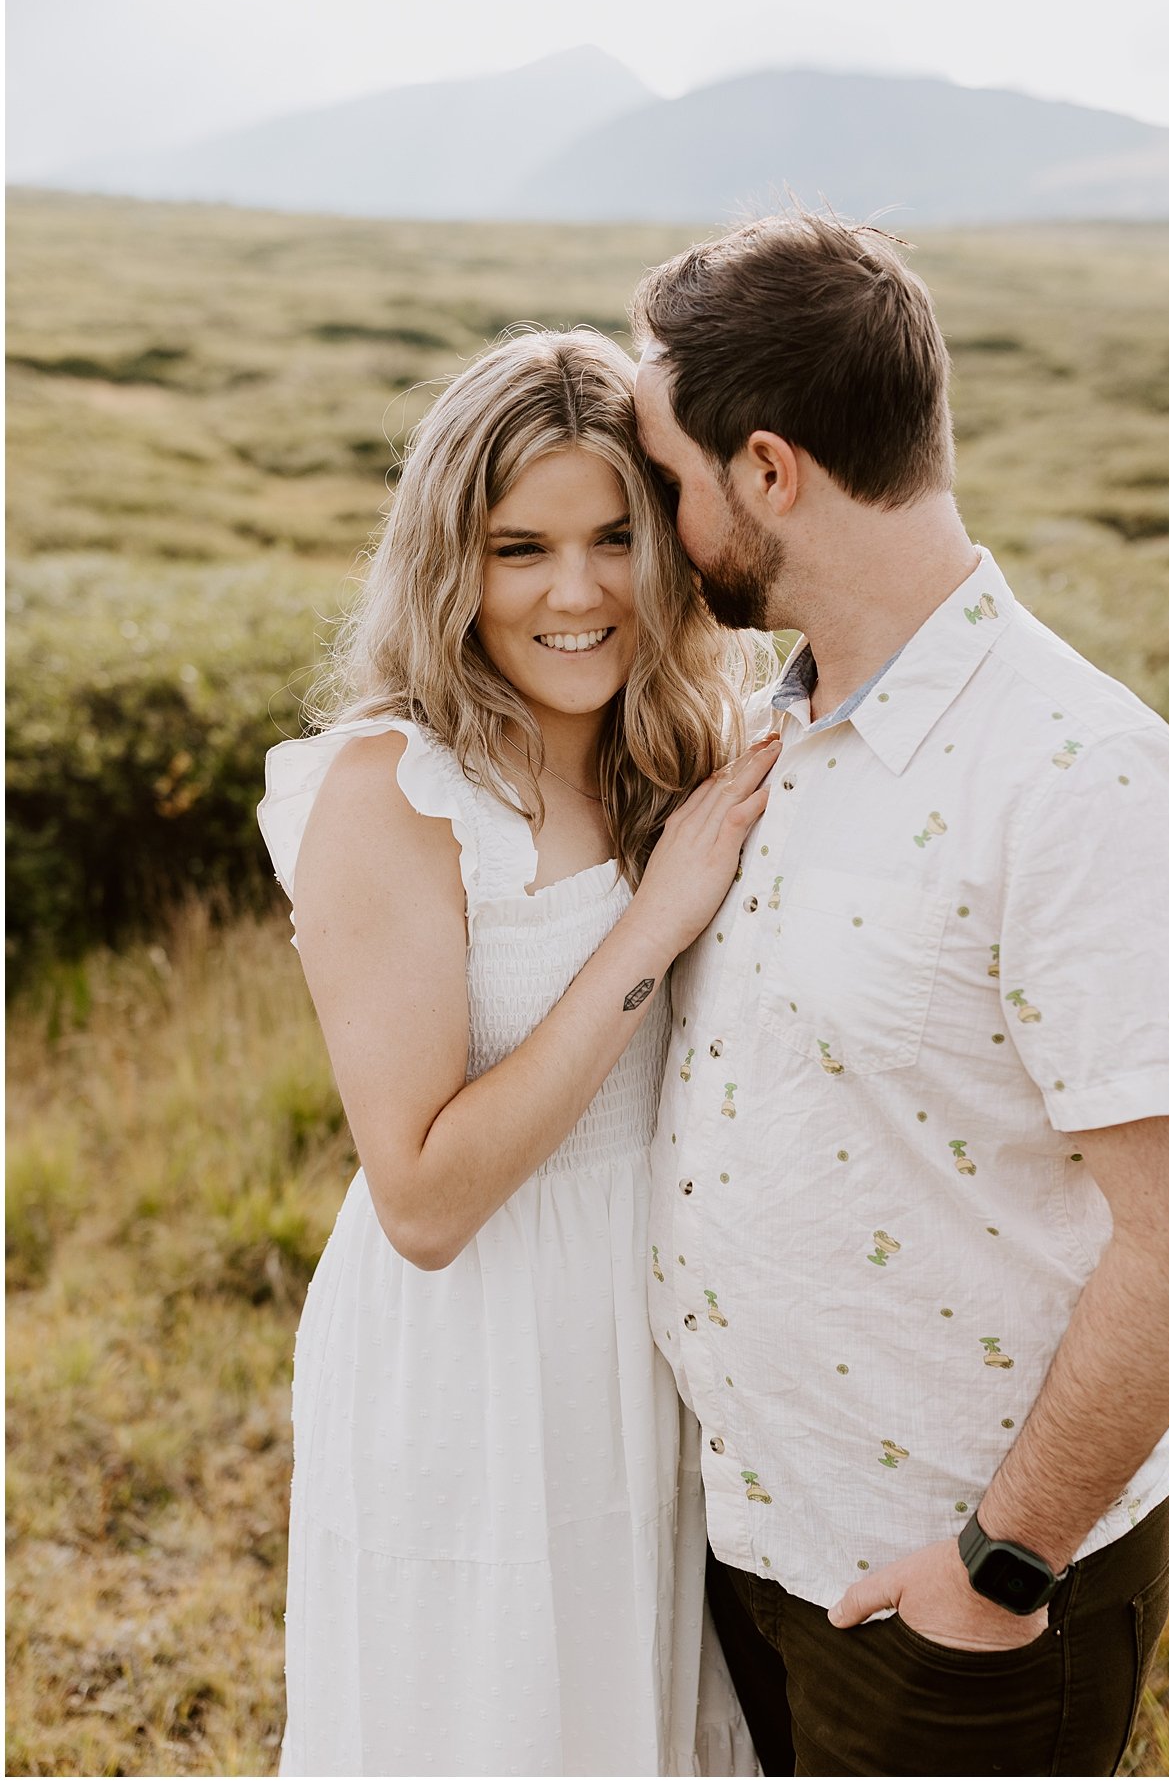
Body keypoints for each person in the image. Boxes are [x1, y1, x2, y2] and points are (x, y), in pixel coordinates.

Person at [628, 210, 1169, 1776]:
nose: (654, 518)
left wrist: (1000, 1564)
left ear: (768, 471)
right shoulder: (764, 733)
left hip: (956, 1597)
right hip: (752, 1543)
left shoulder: (1081, 780)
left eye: (667, 478)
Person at [258, 329, 768, 1773]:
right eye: (520, 545)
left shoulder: (676, 740)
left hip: (644, 1335)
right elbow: (420, 1199)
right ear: (452, 560)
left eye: (615, 535)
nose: (577, 590)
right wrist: (652, 923)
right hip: (475, 1350)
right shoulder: (394, 791)